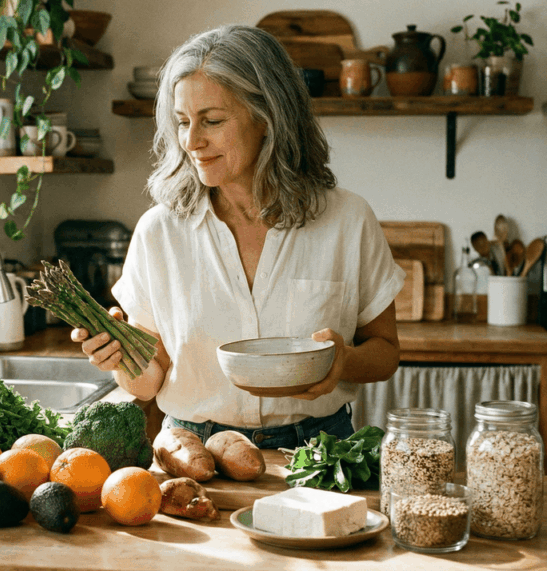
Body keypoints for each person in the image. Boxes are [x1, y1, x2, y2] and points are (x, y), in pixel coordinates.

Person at [72, 25, 404, 450]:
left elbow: (386, 352)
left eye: (211, 121)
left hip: (320, 450)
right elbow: (148, 384)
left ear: (267, 117)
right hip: (193, 451)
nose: (192, 141)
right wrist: (120, 358)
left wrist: (344, 361)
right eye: (182, 122)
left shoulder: (346, 220)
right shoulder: (160, 232)